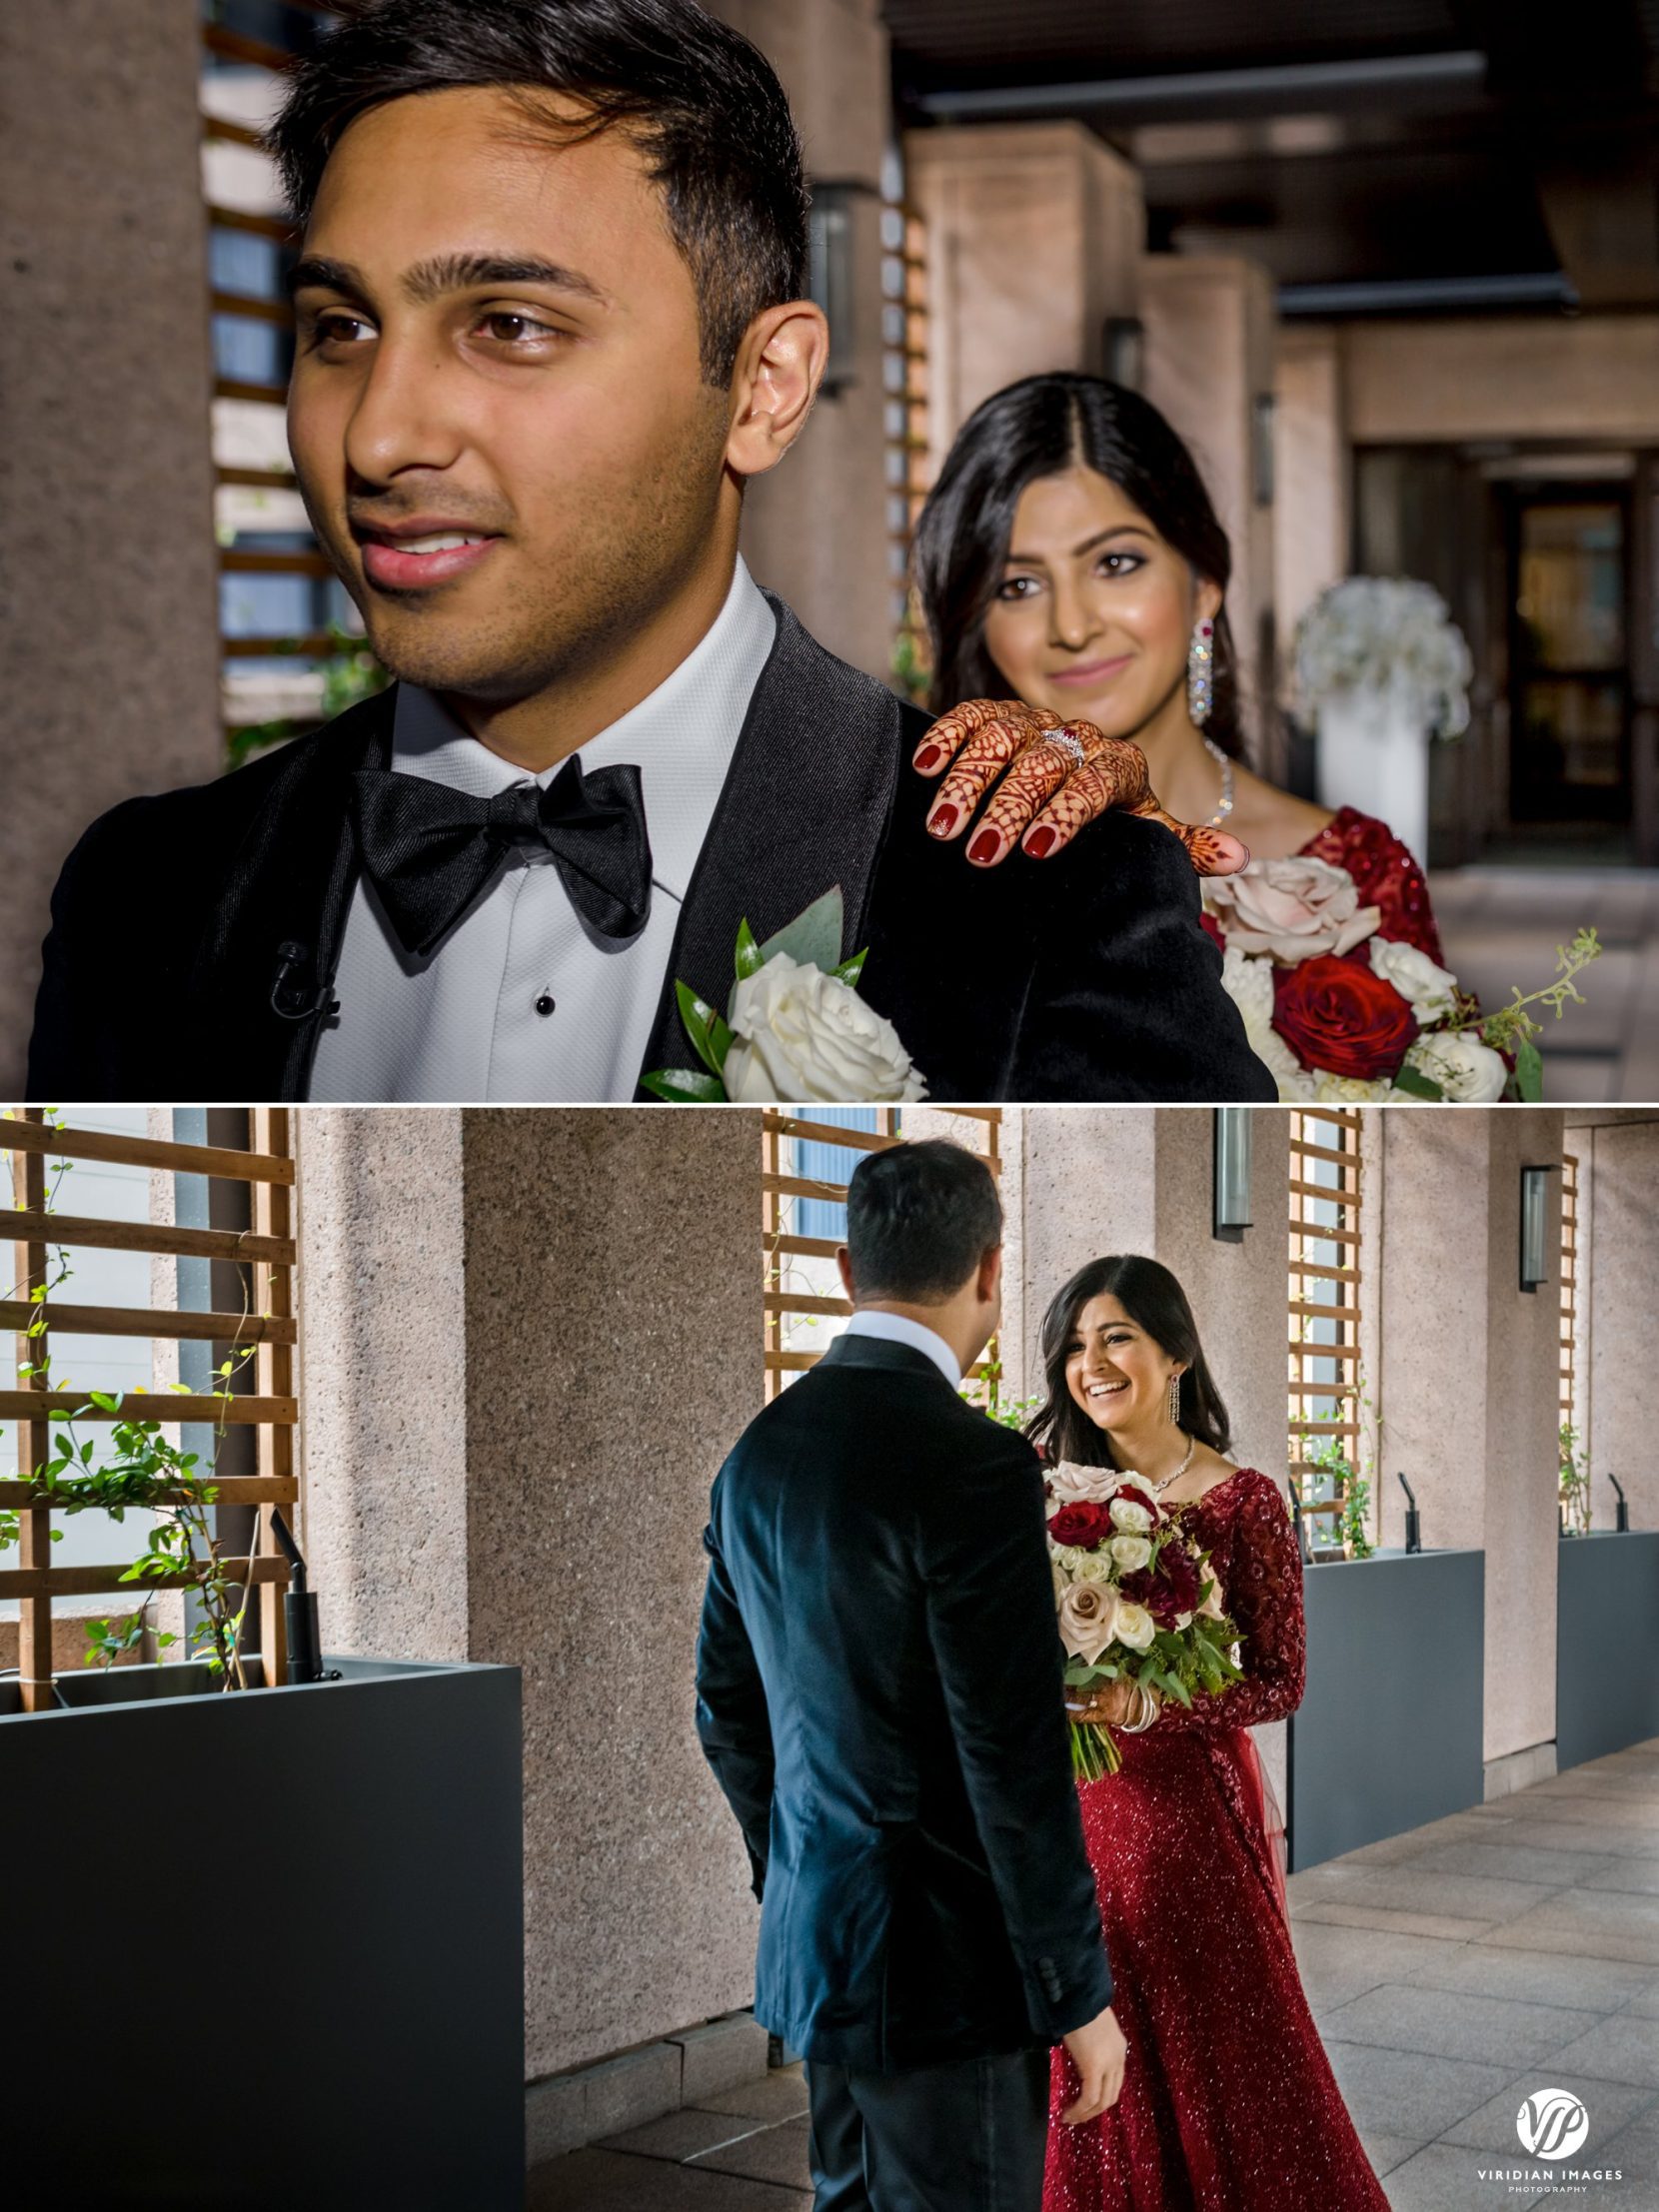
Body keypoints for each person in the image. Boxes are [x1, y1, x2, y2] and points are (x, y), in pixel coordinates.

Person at [24, 1, 1272, 1108]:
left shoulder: (1045, 898)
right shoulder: (145, 893)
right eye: (340, 326)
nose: (382, 433)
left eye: (509, 324)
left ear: (762, 387)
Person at [697, 1140, 1127, 2211]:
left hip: (819, 1944)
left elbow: (725, 1714)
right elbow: (1009, 1760)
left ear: (848, 1271)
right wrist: (1076, 1993)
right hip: (949, 1974)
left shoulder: (757, 1454)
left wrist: (799, 1870)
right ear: (991, 1269)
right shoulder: (974, 1464)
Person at [1027, 1255, 1389, 2212]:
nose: (1091, 1364)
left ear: (1176, 1351)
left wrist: (1148, 1706)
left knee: (1215, 2042)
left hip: (1184, 1813)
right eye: (1073, 1346)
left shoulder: (1244, 1500)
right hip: (1070, 1802)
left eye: (1116, 1338)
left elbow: (1282, 1679)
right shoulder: (1046, 1490)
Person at [910, 373, 1446, 964]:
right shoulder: (940, 858)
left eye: (1114, 562)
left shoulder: (1358, 875)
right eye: (1019, 585)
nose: (1071, 626)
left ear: (1204, 586)